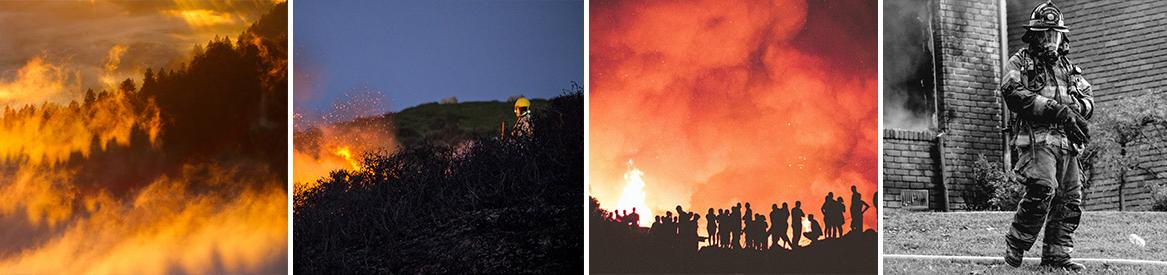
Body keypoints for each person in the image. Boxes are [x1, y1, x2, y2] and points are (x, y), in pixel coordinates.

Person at [999, 2, 1093, 272]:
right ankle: (1015, 245)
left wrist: (1076, 112)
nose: (1050, 40)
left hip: (1067, 145)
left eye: (1055, 34)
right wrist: (1056, 110)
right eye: (1044, 34)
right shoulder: (1020, 62)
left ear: (1062, 37)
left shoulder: (1069, 68)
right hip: (1036, 141)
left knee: (1070, 197)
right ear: (1034, 35)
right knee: (1042, 189)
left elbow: (1088, 99)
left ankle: (1057, 257)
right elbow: (1013, 94)